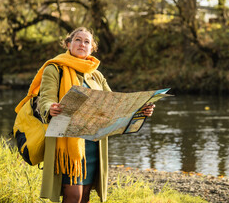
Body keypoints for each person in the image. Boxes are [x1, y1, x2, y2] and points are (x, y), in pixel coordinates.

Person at [30, 27, 155, 203]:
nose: (82, 44)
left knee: (85, 195)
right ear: (68, 44)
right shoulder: (54, 69)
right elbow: (47, 97)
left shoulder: (96, 75)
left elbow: (115, 105)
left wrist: (141, 110)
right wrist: (50, 107)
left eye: (87, 42)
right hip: (66, 143)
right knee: (74, 196)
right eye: (78, 40)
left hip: (94, 143)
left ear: (92, 48)